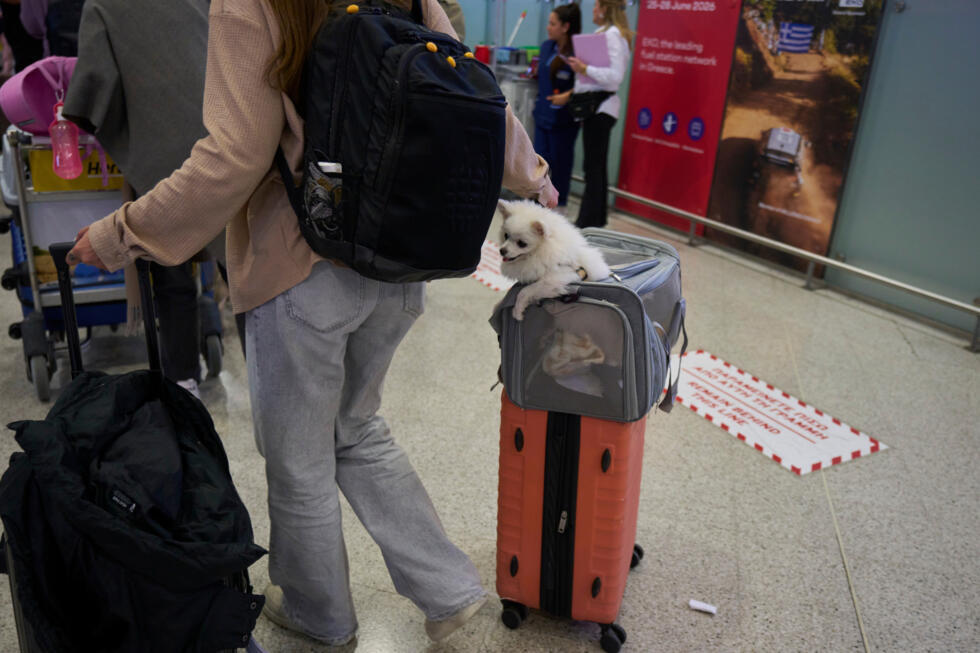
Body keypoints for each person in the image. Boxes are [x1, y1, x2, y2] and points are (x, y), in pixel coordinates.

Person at [67, 0, 558, 646]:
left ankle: (316, 612)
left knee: (299, 460)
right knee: (357, 430)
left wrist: (121, 234)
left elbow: (234, 156)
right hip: (400, 257)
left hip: (302, 265)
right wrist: (534, 178)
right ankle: (448, 589)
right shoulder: (413, 0)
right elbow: (479, 96)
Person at [63, 0, 214, 398]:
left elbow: (92, 88)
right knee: (243, 262)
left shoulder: (104, 4)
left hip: (160, 150)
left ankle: (183, 379)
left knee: (170, 263)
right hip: (224, 133)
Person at [548, 0, 633, 228]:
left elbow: (615, 76)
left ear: (605, 9)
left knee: (593, 167)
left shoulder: (613, 36)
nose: (593, 10)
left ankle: (587, 221)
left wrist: (585, 69)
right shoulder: (604, 33)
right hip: (595, 107)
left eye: (596, 6)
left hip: (601, 109)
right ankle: (596, 219)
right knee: (595, 166)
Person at [532, 2, 581, 213]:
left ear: (565, 27)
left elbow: (587, 84)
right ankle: (537, 206)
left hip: (564, 120)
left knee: (561, 166)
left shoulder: (578, 54)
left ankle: (560, 209)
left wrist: (568, 96)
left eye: (553, 24)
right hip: (542, 116)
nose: (548, 27)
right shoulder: (546, 47)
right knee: (539, 165)